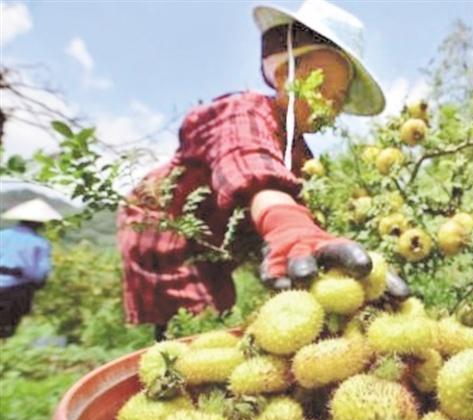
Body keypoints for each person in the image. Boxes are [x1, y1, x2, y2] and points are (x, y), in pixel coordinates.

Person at [118, 0, 409, 341]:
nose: (329, 103)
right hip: (165, 225)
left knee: (240, 300)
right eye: (320, 85)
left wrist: (346, 275)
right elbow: (248, 158)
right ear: (285, 76)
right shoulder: (243, 110)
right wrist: (290, 229)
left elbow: (302, 217)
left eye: (339, 96)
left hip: (222, 233)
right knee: (195, 320)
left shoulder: (300, 153)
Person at [0, 198, 61, 338]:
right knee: (6, 331)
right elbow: (39, 275)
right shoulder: (39, 244)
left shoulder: (2, 235)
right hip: (16, 293)